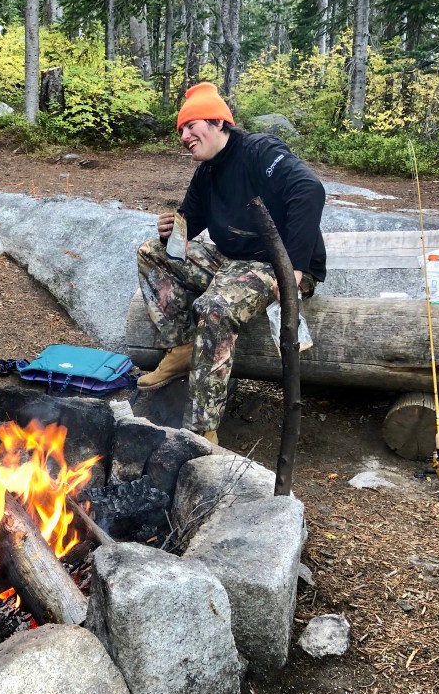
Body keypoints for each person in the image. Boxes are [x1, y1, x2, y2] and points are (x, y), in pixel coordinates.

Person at [136, 83, 327, 445]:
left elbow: (309, 190)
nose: (184, 136)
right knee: (150, 252)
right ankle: (181, 348)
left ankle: (201, 431)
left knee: (213, 306)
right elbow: (190, 222)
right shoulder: (207, 172)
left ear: (218, 122)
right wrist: (171, 233)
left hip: (275, 264)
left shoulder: (260, 151)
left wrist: (294, 268)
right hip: (232, 260)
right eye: (180, 130)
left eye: (191, 126)